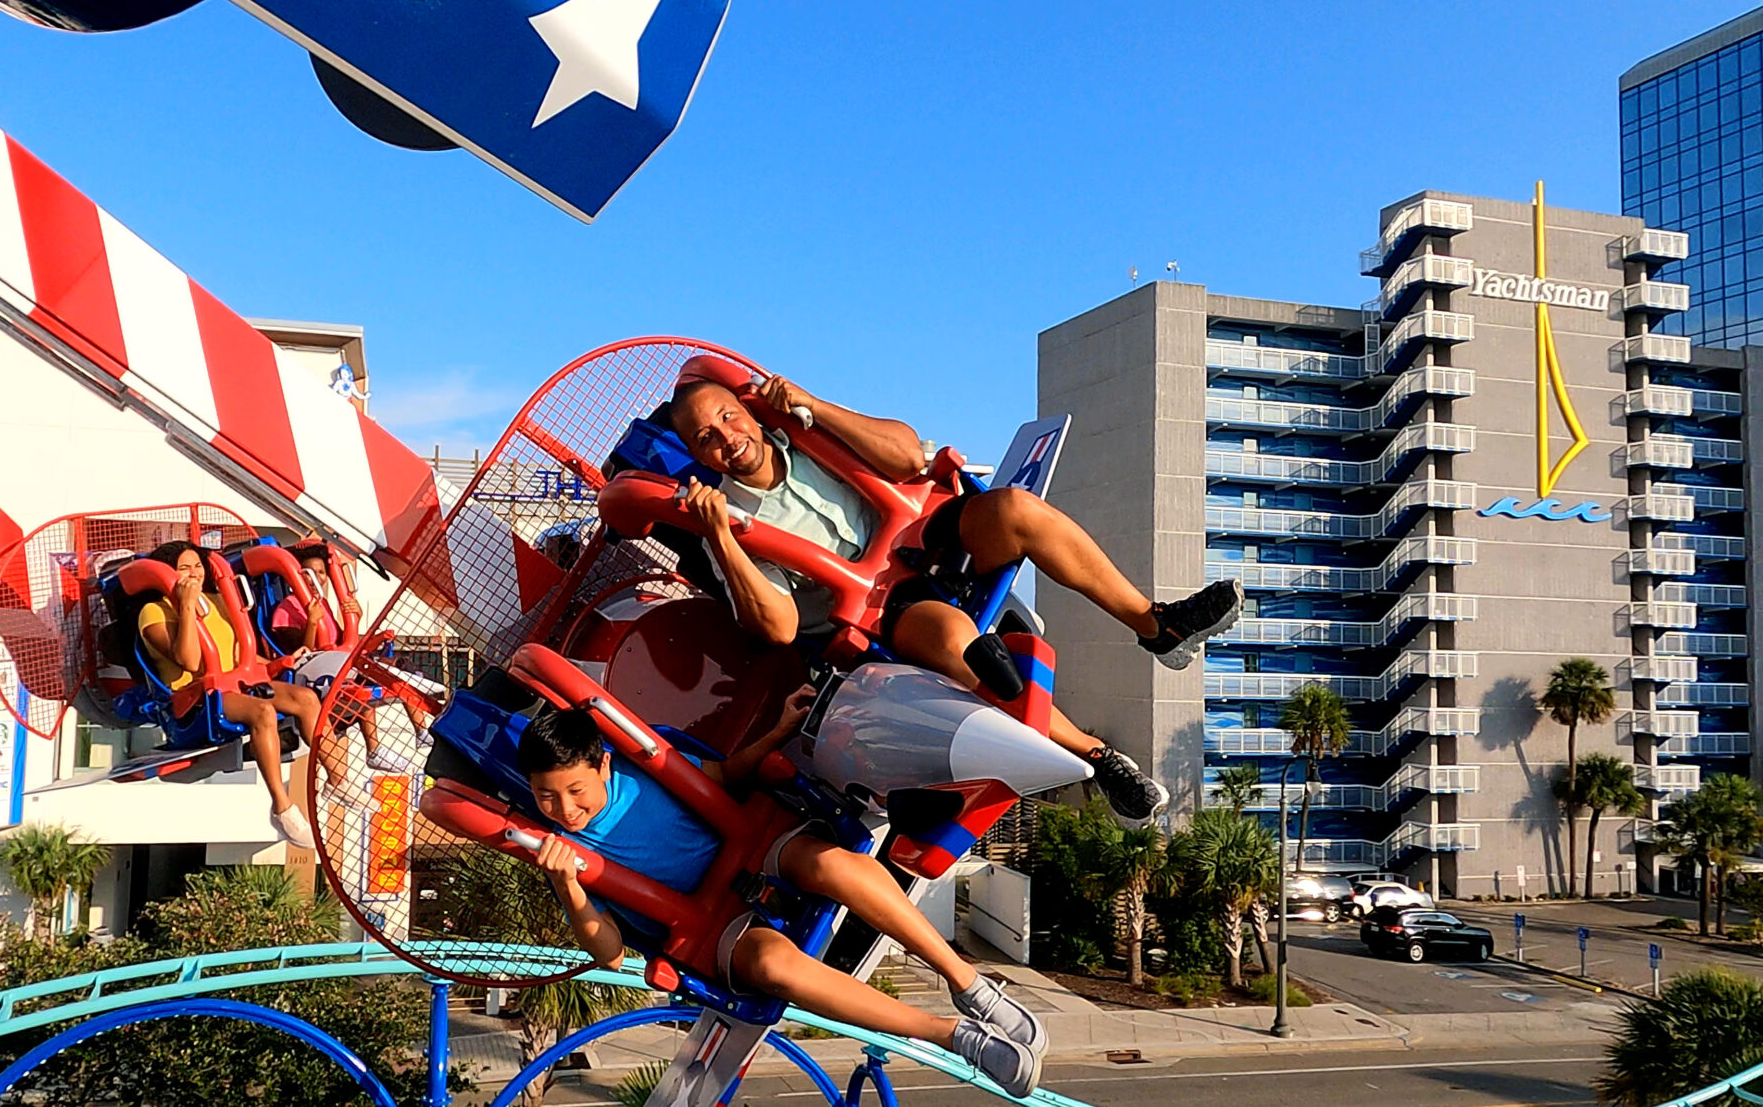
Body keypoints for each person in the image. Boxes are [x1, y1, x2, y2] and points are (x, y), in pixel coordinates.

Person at [666, 375, 1244, 823]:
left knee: (1015, 508)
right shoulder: (730, 516)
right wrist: (719, 533)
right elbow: (779, 626)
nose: (727, 439)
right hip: (883, 603)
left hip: (925, 536)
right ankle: (1097, 757)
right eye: (705, 439)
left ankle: (1157, 625)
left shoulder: (801, 425)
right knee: (958, 646)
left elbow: (909, 457)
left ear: (746, 408)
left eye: (728, 417)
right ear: (697, 455)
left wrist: (813, 404)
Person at [518, 692, 1047, 1098]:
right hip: (706, 923)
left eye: (575, 791)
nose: (564, 809)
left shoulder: (639, 762)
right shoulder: (558, 851)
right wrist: (569, 885)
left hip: (748, 846)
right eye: (546, 796)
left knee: (831, 864)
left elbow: (724, 775)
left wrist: (779, 731)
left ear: (603, 765)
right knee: (776, 969)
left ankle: (968, 983)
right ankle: (953, 1035)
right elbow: (609, 952)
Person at [137, 540, 334, 848]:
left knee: (306, 699)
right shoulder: (153, 612)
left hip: (235, 681)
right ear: (169, 574)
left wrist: (277, 664)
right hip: (197, 698)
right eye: (184, 568)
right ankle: (282, 807)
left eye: (198, 566)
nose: (193, 574)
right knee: (262, 712)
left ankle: (339, 781)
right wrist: (186, 606)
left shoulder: (215, 600)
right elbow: (190, 661)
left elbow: (239, 651)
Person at [270, 543, 418, 775]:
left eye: (321, 573)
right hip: (308, 671)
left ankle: (421, 731)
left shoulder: (324, 607)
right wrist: (311, 621)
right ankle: (368, 753)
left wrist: (355, 617)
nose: (315, 579)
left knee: (399, 668)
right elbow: (300, 650)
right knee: (360, 678)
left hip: (334, 662)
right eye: (309, 573)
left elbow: (342, 641)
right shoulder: (287, 608)